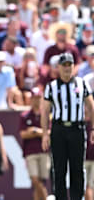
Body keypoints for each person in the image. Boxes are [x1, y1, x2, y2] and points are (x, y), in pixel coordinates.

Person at [41, 53, 94, 200]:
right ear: (58, 67)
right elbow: (44, 111)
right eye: (64, 65)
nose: (66, 68)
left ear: (73, 66)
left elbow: (91, 106)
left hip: (77, 129)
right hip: (59, 129)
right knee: (59, 168)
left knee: (77, 168)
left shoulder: (81, 83)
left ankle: (78, 198)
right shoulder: (51, 86)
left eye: (69, 65)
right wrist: (45, 133)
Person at [19, 87, 50, 200]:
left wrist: (35, 131)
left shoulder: (46, 115)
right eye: (34, 98)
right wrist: (42, 132)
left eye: (38, 98)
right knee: (35, 180)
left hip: (44, 150)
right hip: (30, 151)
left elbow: (49, 133)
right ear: (31, 99)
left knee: (41, 181)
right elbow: (23, 134)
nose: (36, 101)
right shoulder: (25, 115)